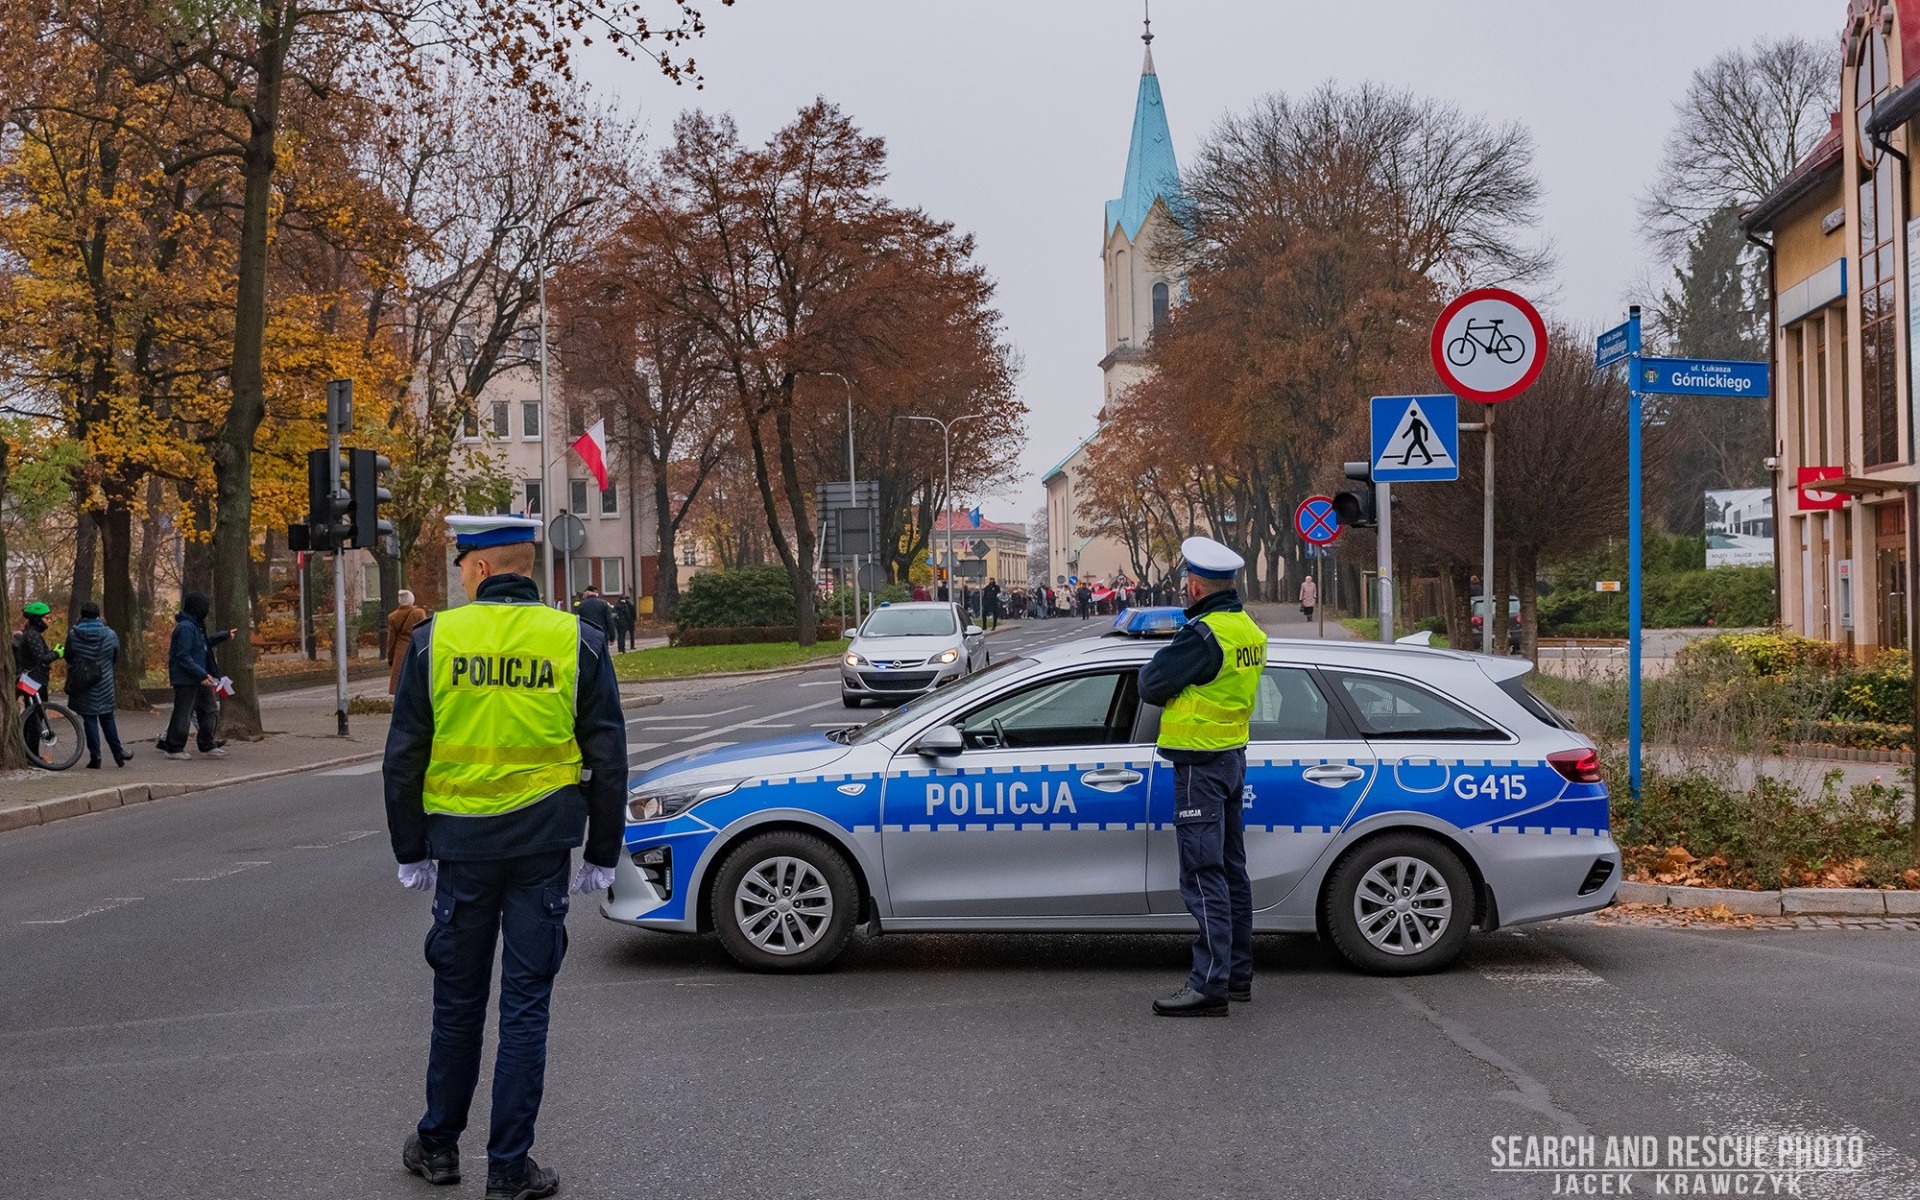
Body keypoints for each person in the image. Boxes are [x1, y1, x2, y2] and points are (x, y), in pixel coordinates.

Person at [385, 514, 627, 1199]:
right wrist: (601, 853)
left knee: (458, 1002)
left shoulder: (438, 640)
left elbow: (403, 755)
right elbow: (608, 755)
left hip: (460, 847)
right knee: (525, 1006)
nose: (461, 574)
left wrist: (411, 848)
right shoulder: (576, 639)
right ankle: (509, 1166)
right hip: (541, 847)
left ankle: (437, 1146)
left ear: (485, 569)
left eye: (464, 564)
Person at [1137, 536, 1263, 1017]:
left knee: (1203, 873)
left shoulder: (1202, 635)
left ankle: (1209, 985)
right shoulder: (1246, 628)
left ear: (1193, 584)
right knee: (1232, 873)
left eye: (1186, 581)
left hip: (1199, 765)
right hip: (1231, 757)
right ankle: (1236, 977)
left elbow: (1151, 684)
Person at [158, 592, 232, 761]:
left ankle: (207, 744)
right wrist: (201, 673)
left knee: (210, 710)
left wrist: (223, 635)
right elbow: (183, 656)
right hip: (188, 678)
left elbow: (203, 645)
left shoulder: (196, 626)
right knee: (183, 712)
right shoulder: (185, 627)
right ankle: (174, 747)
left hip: (201, 676)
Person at [64, 602, 130, 769]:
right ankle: (118, 754)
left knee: (89, 719)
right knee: (108, 717)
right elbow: (115, 656)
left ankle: (96, 757)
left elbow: (68, 656)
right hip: (104, 680)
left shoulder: (73, 634)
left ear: (82, 615)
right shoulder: (110, 634)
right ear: (98, 615)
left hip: (83, 682)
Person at [13, 601, 59, 762]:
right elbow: (41, 659)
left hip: (37, 679)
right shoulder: (32, 635)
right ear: (38, 619)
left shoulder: (32, 634)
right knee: (34, 719)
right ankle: (32, 756)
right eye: (46, 618)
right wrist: (57, 653)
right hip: (34, 680)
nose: (49, 621)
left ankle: (30, 754)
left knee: (35, 717)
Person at [387, 590, 430, 696]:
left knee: (400, 680)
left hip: (399, 651)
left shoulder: (392, 616)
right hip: (416, 647)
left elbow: (391, 640)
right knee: (415, 678)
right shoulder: (419, 613)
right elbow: (424, 632)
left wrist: (390, 657)